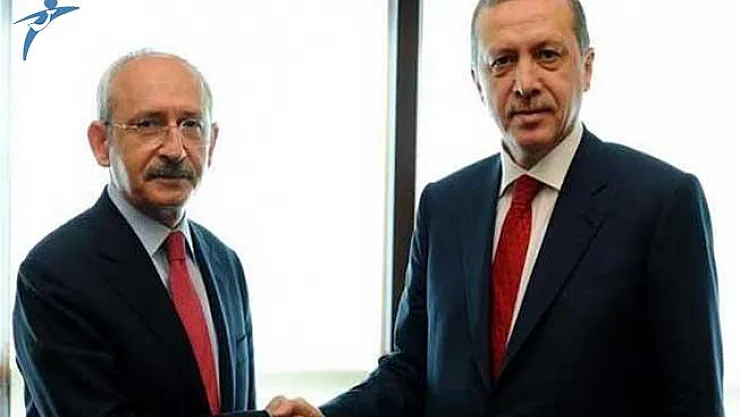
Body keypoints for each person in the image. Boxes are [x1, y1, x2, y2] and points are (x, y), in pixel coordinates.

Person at [266, 0, 724, 416]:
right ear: (477, 81)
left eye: (547, 55)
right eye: (502, 61)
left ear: (586, 67)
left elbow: (693, 401)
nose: (525, 84)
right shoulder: (444, 206)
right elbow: (411, 371)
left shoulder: (662, 202)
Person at [13, 50, 266, 417]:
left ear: (212, 142)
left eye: (191, 125)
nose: (175, 149)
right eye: (148, 124)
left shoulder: (225, 263)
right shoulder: (54, 275)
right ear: (102, 143)